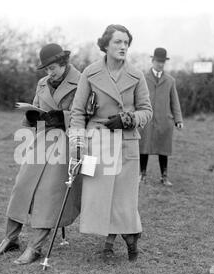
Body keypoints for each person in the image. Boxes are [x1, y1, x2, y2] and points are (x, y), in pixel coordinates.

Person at [0, 44, 82, 265]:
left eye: (53, 68)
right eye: (46, 69)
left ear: (64, 62)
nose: (49, 72)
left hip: (66, 141)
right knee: (21, 186)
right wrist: (31, 116)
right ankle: (10, 238)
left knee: (48, 194)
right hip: (42, 140)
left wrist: (63, 117)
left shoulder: (81, 82)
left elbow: (86, 114)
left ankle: (35, 247)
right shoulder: (42, 83)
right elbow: (35, 110)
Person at [69, 24, 152, 261]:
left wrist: (128, 118)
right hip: (96, 141)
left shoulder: (136, 75)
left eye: (126, 42)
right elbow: (77, 112)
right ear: (105, 45)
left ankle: (128, 238)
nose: (123, 46)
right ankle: (110, 237)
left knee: (124, 196)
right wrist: (78, 144)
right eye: (118, 42)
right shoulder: (90, 73)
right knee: (99, 194)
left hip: (127, 142)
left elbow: (147, 111)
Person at [138, 48, 183, 186]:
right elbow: (137, 98)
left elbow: (174, 101)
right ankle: (142, 174)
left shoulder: (170, 80)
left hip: (164, 120)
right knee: (143, 147)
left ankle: (164, 176)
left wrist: (178, 119)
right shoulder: (143, 78)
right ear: (152, 61)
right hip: (146, 120)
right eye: (158, 61)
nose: (160, 64)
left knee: (163, 149)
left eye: (163, 62)